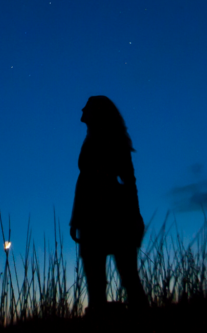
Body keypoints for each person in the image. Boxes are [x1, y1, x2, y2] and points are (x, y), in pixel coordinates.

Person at [69, 95, 147, 316]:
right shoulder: (91, 140)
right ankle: (102, 323)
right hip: (91, 215)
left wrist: (135, 216)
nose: (82, 109)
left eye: (88, 106)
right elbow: (83, 182)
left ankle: (143, 322)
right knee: (96, 281)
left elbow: (129, 181)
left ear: (98, 112)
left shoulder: (114, 140)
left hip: (112, 214)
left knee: (128, 276)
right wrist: (76, 219)